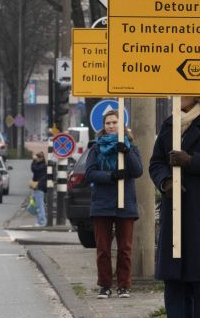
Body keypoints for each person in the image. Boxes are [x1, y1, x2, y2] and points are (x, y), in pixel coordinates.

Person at [150, 96, 200, 318]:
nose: (176, 97)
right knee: (174, 286)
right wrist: (165, 181)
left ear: (197, 95)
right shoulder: (169, 125)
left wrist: (190, 161)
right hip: (174, 216)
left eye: (182, 92)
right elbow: (156, 162)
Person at [85, 109, 143, 299]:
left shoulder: (131, 146)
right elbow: (90, 173)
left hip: (124, 204)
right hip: (102, 204)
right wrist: (111, 176)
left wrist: (126, 152)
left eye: (114, 122)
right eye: (108, 123)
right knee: (103, 249)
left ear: (121, 125)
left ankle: (124, 285)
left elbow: (137, 171)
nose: (111, 126)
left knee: (125, 248)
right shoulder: (96, 147)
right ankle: (105, 285)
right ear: (104, 126)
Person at [30, 151, 47, 227]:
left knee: (40, 205)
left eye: (37, 158)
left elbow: (34, 169)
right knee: (38, 204)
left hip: (40, 187)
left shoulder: (42, 166)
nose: (36, 159)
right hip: (38, 187)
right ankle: (40, 221)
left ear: (41, 158)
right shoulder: (41, 165)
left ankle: (42, 221)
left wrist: (33, 161)